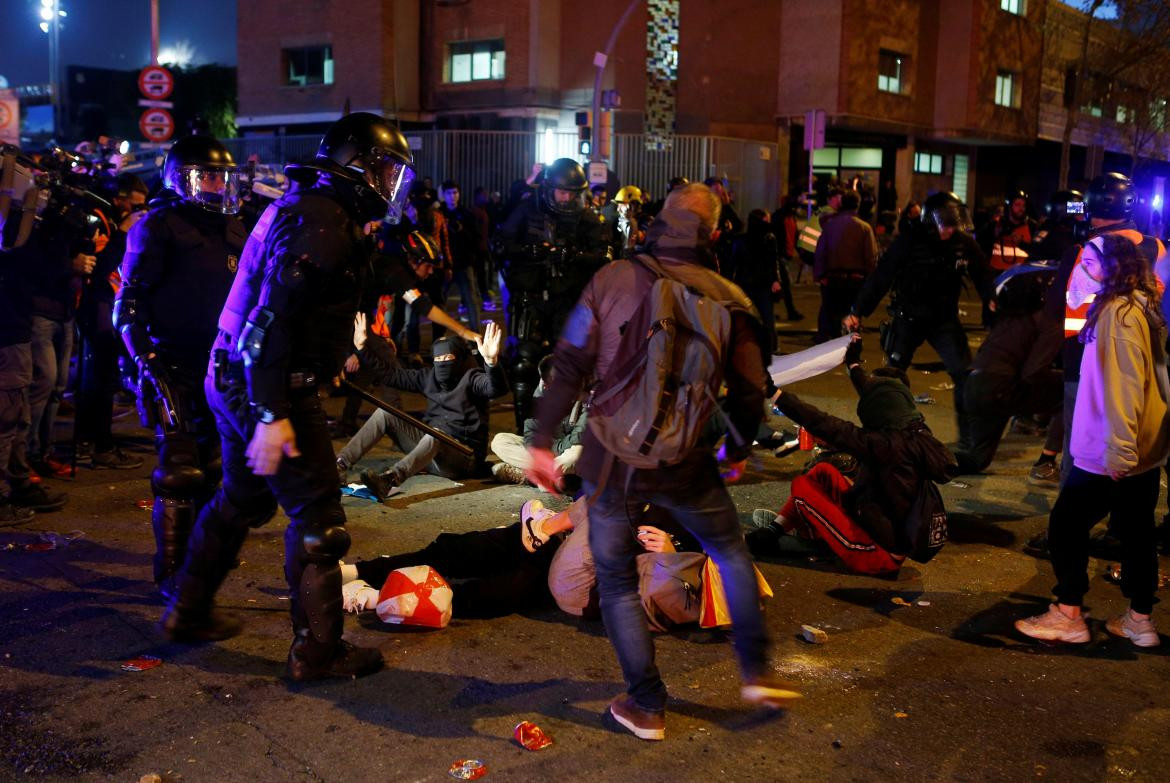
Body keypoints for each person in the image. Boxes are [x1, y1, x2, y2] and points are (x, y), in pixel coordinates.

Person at [527, 183, 799, 742]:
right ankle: (757, 674)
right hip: (687, 458)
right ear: (714, 232)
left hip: (608, 456)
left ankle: (647, 705)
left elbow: (570, 363)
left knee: (618, 580)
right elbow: (750, 396)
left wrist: (542, 439)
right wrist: (730, 455)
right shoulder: (732, 299)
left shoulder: (612, 278)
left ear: (656, 222)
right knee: (729, 553)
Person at [161, 112, 417, 682]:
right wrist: (272, 413)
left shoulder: (318, 210)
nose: (389, 184)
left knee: (243, 498)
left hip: (239, 374)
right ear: (354, 164)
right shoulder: (321, 223)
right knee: (320, 519)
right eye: (383, 169)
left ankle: (187, 608)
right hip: (266, 379)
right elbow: (268, 325)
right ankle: (317, 653)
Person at [1014, 234, 1168, 648]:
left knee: (1066, 525)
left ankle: (1068, 614)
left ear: (1111, 267)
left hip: (1111, 450)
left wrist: (1119, 450)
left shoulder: (1117, 316)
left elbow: (1123, 389)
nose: (1084, 265)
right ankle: (1139, 620)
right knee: (1137, 533)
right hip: (1142, 448)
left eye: (1091, 259)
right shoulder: (1140, 305)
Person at [115, 135, 248, 599]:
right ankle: (170, 571)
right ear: (180, 177)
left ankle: (203, 556)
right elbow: (127, 305)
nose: (214, 185)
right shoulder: (157, 226)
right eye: (206, 175)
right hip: (169, 363)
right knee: (179, 470)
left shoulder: (235, 228)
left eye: (221, 176)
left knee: (219, 469)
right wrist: (147, 363)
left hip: (221, 366)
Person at [750, 338, 956, 575]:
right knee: (823, 472)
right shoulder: (915, 432)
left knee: (802, 491)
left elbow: (823, 423)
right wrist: (853, 364)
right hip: (879, 528)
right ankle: (775, 530)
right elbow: (877, 395)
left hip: (875, 554)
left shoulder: (883, 445)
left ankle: (807, 537)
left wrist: (774, 392)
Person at [844, 191, 993, 458]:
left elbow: (983, 275)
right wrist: (857, 310)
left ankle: (969, 442)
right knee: (891, 378)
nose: (950, 229)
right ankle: (887, 435)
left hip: (944, 320)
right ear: (929, 221)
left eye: (953, 223)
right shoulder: (910, 241)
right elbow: (883, 276)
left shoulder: (962, 243)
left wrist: (992, 304)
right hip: (908, 318)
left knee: (964, 375)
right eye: (945, 223)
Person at [492, 158, 610, 431]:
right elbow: (500, 245)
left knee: (569, 365)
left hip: (568, 303)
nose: (566, 198)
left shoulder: (588, 217)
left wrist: (578, 256)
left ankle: (564, 431)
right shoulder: (526, 210)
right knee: (523, 364)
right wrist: (526, 251)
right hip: (530, 299)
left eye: (572, 192)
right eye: (562, 191)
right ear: (548, 188)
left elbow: (606, 256)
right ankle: (526, 432)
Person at [340, 321, 507, 500]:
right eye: (438, 359)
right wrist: (361, 348)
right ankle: (339, 466)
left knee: (435, 434)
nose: (443, 364)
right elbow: (391, 376)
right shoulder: (428, 376)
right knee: (385, 413)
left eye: (448, 358)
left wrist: (491, 362)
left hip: (464, 459)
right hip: (431, 455)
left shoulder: (472, 378)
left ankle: (389, 480)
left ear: (458, 358)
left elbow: (496, 389)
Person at [76, 173, 148, 469]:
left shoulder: (114, 221)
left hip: (108, 302)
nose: (136, 211)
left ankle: (92, 441)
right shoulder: (98, 220)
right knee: (100, 376)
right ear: (119, 199)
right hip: (94, 304)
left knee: (103, 375)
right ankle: (97, 444)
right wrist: (123, 232)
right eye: (134, 205)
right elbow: (100, 268)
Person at [490, 354, 585, 485]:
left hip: (573, 450)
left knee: (576, 453)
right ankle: (553, 477)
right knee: (500, 441)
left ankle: (532, 476)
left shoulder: (587, 393)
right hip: (553, 452)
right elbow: (531, 436)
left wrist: (555, 450)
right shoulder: (538, 397)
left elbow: (580, 436)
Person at [813, 190, 877, 343]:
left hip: (833, 278)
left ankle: (831, 343)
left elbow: (820, 252)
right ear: (857, 205)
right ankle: (850, 351)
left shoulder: (830, 226)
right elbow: (871, 257)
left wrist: (820, 275)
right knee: (852, 316)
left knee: (832, 314)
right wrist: (870, 278)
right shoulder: (864, 227)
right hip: (856, 279)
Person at [729, 209, 784, 362]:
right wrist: (775, 280)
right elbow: (773, 261)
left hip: (745, 283)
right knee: (767, 318)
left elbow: (734, 263)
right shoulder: (768, 238)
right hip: (762, 284)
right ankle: (772, 348)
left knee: (745, 317)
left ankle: (744, 347)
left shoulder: (740, 240)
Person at [438, 180, 480, 332]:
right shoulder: (439, 213)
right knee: (440, 302)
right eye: (449, 193)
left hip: (463, 264)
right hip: (444, 266)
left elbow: (476, 239)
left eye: (455, 192)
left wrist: (462, 230)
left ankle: (476, 336)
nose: (452, 196)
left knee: (471, 301)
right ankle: (439, 336)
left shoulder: (466, 214)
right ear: (444, 194)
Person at [979, 189, 1037, 271]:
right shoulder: (996, 224)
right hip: (997, 275)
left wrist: (1021, 243)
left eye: (1023, 205)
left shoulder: (1032, 226)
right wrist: (994, 235)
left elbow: (1037, 252)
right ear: (1009, 206)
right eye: (1017, 205)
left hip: (1021, 277)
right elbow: (980, 244)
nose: (1021, 208)